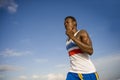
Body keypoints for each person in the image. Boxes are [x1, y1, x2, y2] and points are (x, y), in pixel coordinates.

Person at [64, 16, 99, 80]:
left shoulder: (82, 33)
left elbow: (90, 51)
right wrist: (71, 37)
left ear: (74, 23)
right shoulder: (67, 40)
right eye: (64, 24)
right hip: (73, 72)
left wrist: (73, 37)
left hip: (87, 72)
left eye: (67, 22)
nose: (65, 25)